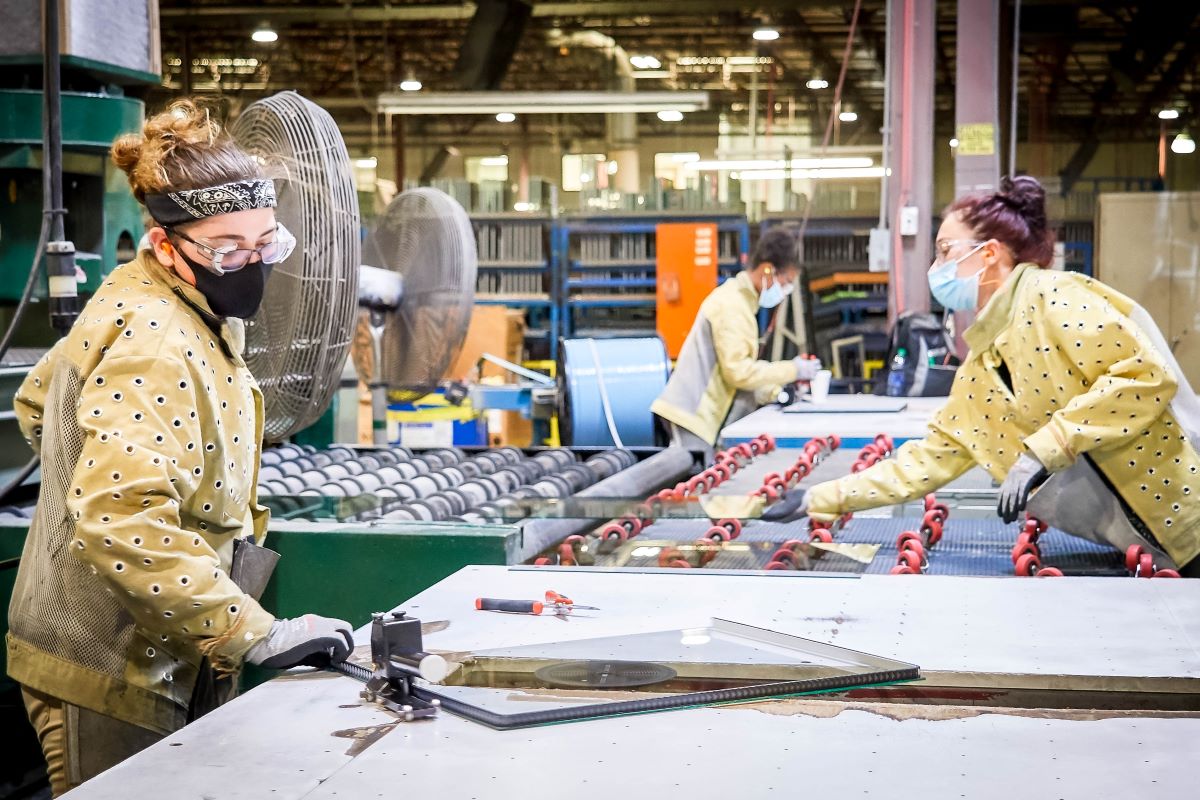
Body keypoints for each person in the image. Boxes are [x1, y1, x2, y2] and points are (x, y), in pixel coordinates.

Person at [7, 99, 357, 796]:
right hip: (109, 662)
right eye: (228, 249)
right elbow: (120, 521)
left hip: (161, 646)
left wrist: (95, 463)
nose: (250, 265)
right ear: (169, 244)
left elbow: (38, 402)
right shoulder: (157, 340)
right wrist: (251, 632)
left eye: (265, 245)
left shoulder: (171, 295)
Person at [792, 176, 1200, 576]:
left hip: (1191, 520)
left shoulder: (1054, 297)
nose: (937, 267)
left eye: (945, 250)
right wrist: (821, 496)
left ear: (988, 254)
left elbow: (1145, 376)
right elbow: (923, 463)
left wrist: (1046, 448)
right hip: (1146, 552)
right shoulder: (979, 371)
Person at [652, 227, 822, 452]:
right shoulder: (732, 306)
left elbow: (737, 378)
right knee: (698, 485)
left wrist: (777, 392)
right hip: (692, 416)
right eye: (786, 281)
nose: (786, 290)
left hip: (702, 416)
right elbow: (739, 372)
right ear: (767, 270)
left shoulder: (742, 304)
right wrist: (793, 370)